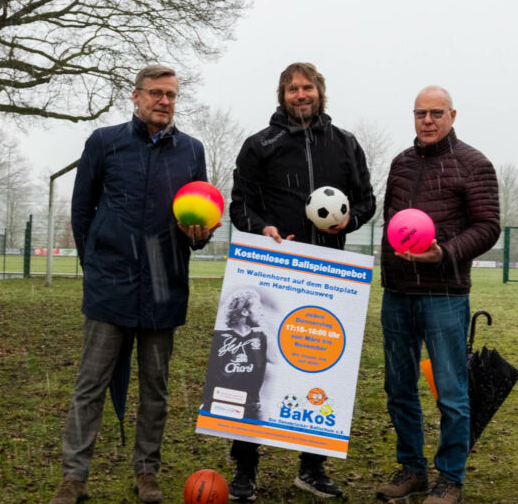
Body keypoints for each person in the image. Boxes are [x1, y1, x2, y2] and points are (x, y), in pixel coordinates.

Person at [49, 65, 218, 504]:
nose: (165, 101)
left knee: (155, 389)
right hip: (111, 287)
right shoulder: (105, 142)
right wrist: (97, 266)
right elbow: (81, 212)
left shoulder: (192, 151)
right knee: (90, 384)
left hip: (165, 287)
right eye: (157, 93)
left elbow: (198, 214)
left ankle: (147, 472)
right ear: (136, 97)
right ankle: (74, 478)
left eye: (172, 95)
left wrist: (202, 236)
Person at [227, 62, 376, 500]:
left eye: (307, 87)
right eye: (292, 88)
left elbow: (366, 202)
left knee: (319, 364)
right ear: (282, 95)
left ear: (320, 91)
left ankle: (311, 466)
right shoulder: (260, 145)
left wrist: (345, 224)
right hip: (274, 272)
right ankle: (245, 467)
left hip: (329, 276)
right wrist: (264, 229)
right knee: (256, 365)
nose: (300, 94)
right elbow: (240, 207)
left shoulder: (345, 144)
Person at [374, 86, 500, 504]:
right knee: (399, 388)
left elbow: (487, 227)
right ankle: (412, 470)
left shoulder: (474, 164)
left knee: (451, 391)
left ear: (452, 115)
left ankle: (450, 479)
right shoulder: (401, 163)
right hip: (398, 293)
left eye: (436, 113)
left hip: (444, 295)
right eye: (420, 113)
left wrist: (444, 253)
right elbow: (392, 222)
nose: (427, 120)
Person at [200, 288, 276, 420]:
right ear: (245, 311)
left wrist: (268, 332)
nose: (262, 313)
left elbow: (276, 359)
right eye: (258, 307)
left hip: (250, 410)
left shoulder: (262, 337)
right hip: (217, 406)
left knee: (247, 440)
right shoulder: (218, 337)